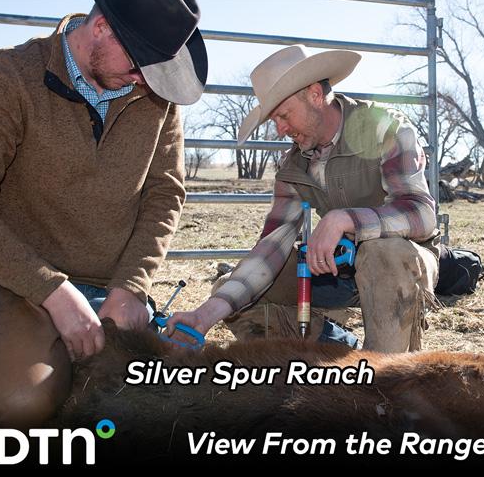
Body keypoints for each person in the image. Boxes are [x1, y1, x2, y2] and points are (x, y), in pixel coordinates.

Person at [0, 0, 207, 431]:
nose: (145, 82)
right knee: (20, 404)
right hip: (15, 278)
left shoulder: (156, 96)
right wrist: (53, 291)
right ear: (101, 29)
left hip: (111, 285)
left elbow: (163, 195)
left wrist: (132, 286)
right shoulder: (7, 77)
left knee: (165, 402)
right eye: (139, 67)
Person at [169, 45, 439, 353]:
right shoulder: (294, 167)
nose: (281, 129)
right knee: (231, 293)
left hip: (401, 263)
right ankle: (335, 351)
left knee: (383, 252)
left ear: (313, 94)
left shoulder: (384, 127)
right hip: (337, 264)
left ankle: (380, 380)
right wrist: (205, 315)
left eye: (283, 115)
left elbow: (421, 213)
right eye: (274, 120)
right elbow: (272, 247)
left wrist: (345, 218)